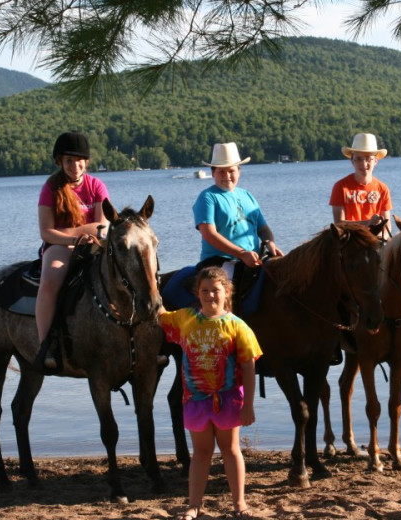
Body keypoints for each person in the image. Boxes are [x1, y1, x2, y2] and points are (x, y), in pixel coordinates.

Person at [158, 266, 262, 520]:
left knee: (231, 450)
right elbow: (159, 313)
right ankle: (194, 505)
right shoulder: (185, 319)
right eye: (204, 291)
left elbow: (249, 366)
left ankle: (239, 503)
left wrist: (248, 405)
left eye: (215, 290)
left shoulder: (238, 327)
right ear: (197, 293)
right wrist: (150, 280)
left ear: (226, 292)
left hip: (228, 399)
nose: (210, 296)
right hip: (195, 400)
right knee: (201, 454)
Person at [329, 132, 401, 358]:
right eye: (359, 158)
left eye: (368, 159)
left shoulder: (382, 188)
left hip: (377, 244)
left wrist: (386, 243)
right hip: (350, 245)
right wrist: (366, 223)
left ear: (376, 160)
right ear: (352, 160)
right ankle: (335, 339)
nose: (364, 163)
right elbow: (339, 223)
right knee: (335, 281)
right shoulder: (342, 187)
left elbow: (387, 224)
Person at [36, 131, 109, 370]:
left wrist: (89, 232)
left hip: (93, 245)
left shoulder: (96, 186)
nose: (75, 166)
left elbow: (103, 226)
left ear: (86, 162)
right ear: (60, 162)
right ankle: (44, 344)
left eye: (79, 160)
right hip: (59, 246)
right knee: (50, 281)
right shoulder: (51, 188)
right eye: (69, 161)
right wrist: (80, 232)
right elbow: (47, 232)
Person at [193, 142, 284, 274]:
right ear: (213, 173)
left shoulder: (247, 195)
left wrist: (269, 242)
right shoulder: (207, 197)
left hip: (253, 258)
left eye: (231, 171)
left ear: (239, 172)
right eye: (221, 172)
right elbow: (209, 234)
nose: (227, 176)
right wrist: (241, 254)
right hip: (219, 262)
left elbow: (263, 228)